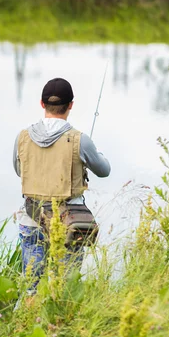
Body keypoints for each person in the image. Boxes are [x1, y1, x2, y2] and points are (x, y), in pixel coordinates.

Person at [13, 77, 111, 298]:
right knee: (66, 287)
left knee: (31, 287)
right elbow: (104, 171)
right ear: (70, 105)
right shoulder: (80, 140)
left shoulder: (22, 137)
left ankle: (27, 324)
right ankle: (61, 326)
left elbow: (20, 171)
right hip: (70, 222)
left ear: (41, 104)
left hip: (31, 217)